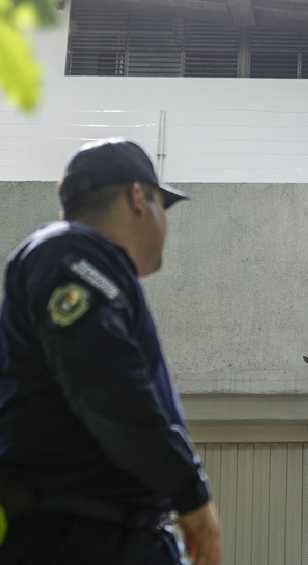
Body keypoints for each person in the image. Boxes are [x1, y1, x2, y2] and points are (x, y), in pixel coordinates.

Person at [0, 139, 222, 565]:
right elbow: (108, 386)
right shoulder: (67, 252)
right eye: (163, 205)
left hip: (107, 532)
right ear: (138, 197)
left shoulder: (86, 264)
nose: (165, 225)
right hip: (77, 535)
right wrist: (193, 502)